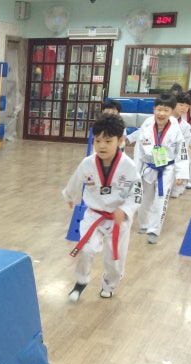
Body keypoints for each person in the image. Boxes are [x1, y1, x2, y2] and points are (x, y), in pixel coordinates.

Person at [62, 114, 141, 302]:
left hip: (118, 218)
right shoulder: (88, 163)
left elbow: (137, 192)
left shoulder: (128, 166)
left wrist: (126, 210)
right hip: (94, 215)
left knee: (115, 259)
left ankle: (109, 284)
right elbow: (75, 180)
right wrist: (69, 196)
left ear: (120, 141)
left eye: (108, 141)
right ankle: (81, 281)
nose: (102, 146)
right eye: (97, 141)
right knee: (86, 249)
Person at [133, 93, 189, 244]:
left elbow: (181, 152)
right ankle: (144, 224)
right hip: (148, 166)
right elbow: (138, 150)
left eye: (166, 110)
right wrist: (136, 170)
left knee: (161, 200)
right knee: (145, 198)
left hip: (166, 169)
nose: (162, 113)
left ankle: (154, 230)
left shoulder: (175, 130)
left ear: (172, 111)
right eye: (159, 109)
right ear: (154, 109)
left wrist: (181, 174)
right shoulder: (147, 125)